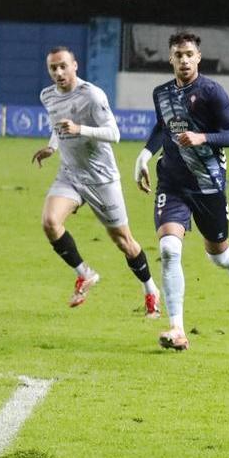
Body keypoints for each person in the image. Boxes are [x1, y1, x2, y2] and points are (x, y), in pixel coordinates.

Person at [133, 31, 229, 351]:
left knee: (219, 255)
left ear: (198, 57)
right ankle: (177, 329)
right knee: (169, 249)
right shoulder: (161, 93)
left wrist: (203, 138)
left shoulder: (211, 92)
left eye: (189, 54)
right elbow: (163, 127)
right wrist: (145, 155)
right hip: (172, 183)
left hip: (208, 185)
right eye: (179, 55)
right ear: (170, 58)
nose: (184, 60)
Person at [31, 47, 160, 315]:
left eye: (63, 66)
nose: (58, 72)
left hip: (101, 179)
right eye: (53, 68)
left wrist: (80, 129)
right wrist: (52, 147)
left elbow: (114, 133)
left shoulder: (92, 95)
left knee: (123, 241)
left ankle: (150, 289)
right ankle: (85, 274)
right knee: (50, 222)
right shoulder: (47, 95)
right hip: (70, 174)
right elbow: (58, 125)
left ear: (75, 65)